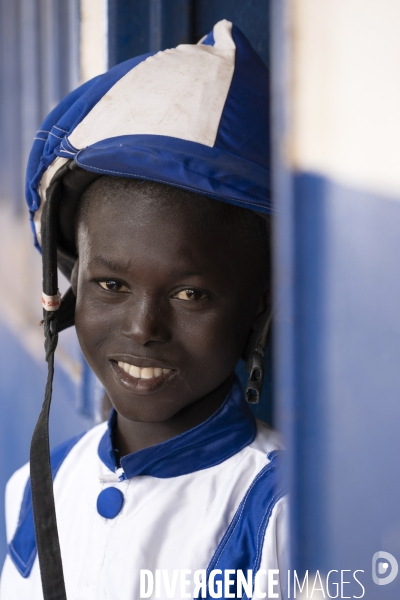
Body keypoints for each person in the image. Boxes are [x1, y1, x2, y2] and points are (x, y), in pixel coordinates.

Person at [0, 20, 288, 600]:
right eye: (110, 284)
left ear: (256, 307)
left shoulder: (282, 513)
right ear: (72, 285)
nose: (142, 327)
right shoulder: (36, 489)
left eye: (190, 295)